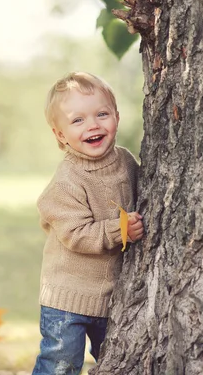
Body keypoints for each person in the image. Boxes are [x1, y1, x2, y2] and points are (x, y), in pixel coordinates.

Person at [32, 71, 144, 375]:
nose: (93, 125)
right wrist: (119, 229)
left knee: (118, 359)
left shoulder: (126, 162)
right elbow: (74, 233)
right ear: (60, 134)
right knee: (60, 363)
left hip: (113, 296)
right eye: (77, 120)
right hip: (68, 298)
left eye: (102, 114)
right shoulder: (67, 179)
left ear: (117, 118)